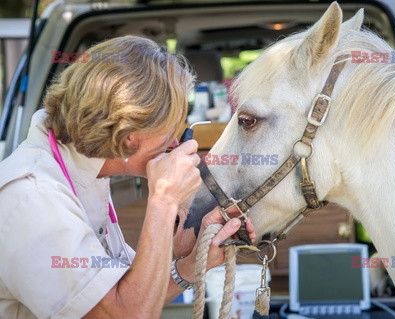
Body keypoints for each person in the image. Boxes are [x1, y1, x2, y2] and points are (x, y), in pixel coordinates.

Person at [0, 36, 255, 318]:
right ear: (131, 134)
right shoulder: (33, 198)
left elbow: (130, 296)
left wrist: (191, 264)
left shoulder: (88, 174)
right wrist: (164, 200)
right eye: (172, 126)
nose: (176, 142)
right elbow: (125, 314)